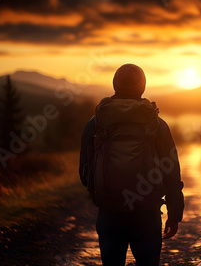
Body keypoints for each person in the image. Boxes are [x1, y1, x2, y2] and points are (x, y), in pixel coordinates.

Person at [79, 64, 184, 266]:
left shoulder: (96, 123)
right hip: (147, 213)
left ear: (114, 85)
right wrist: (174, 214)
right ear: (142, 86)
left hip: (110, 212)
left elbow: (85, 173)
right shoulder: (157, 124)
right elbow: (171, 172)